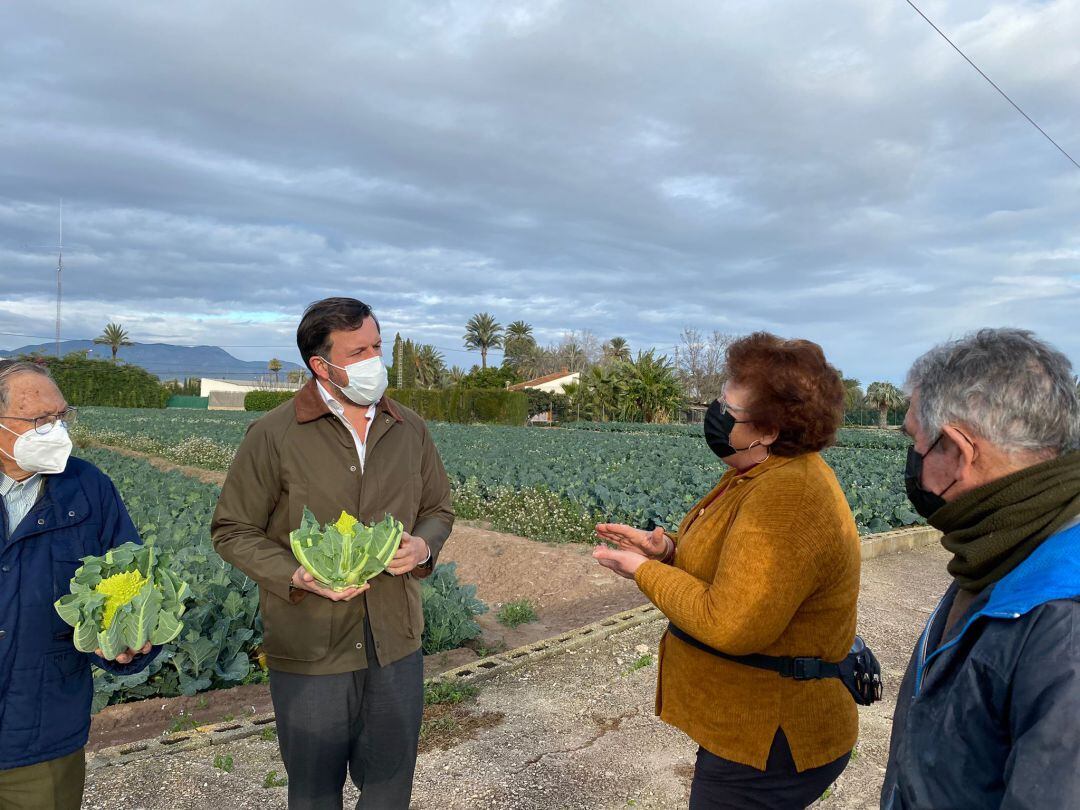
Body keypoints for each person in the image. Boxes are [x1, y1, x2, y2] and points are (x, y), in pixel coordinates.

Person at [594, 333, 860, 809]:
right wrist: (666, 552)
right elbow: (740, 570)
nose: (715, 414)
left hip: (771, 737)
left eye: (728, 409)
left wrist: (643, 572)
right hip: (747, 728)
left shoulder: (788, 496)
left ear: (770, 430)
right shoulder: (757, 471)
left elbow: (733, 622)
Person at [211, 297, 454, 810]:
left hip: (395, 640)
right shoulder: (274, 435)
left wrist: (422, 545)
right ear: (322, 365)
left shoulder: (408, 428)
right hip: (310, 648)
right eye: (358, 351)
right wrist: (296, 574)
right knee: (314, 791)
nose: (374, 361)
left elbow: (439, 509)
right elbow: (232, 529)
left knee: (390, 785)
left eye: (377, 346)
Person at [881, 328, 1080, 809]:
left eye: (915, 441)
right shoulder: (1000, 547)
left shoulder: (1062, 620)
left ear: (958, 451)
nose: (911, 462)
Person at [0, 360, 157, 809]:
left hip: (41, 735)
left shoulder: (88, 488)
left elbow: (133, 582)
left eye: (60, 416)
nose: (54, 430)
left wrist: (131, 644)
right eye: (38, 420)